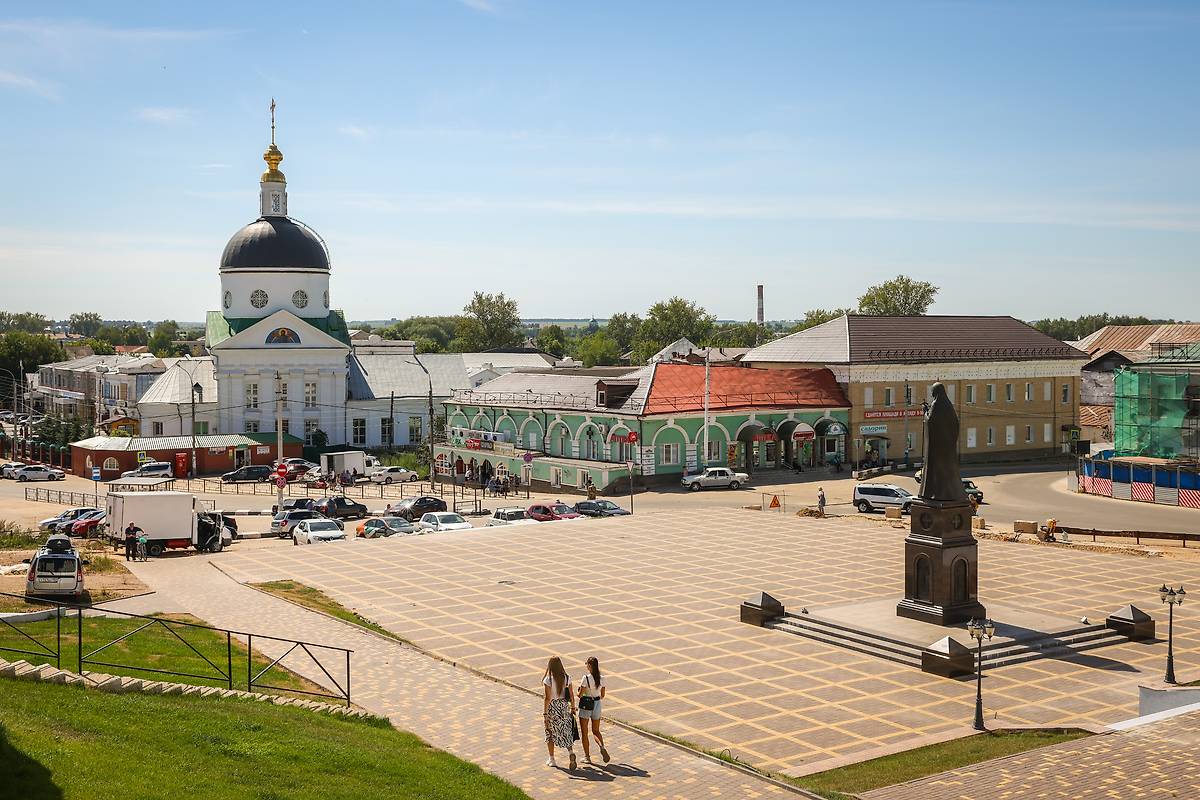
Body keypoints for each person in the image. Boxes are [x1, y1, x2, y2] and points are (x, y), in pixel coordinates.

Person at [542, 656, 577, 771]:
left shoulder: (548, 680)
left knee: (550, 732)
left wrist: (545, 714)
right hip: (564, 706)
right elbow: (571, 695)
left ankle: (552, 759)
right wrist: (573, 707)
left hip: (553, 707)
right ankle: (571, 752)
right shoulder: (567, 678)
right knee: (565, 731)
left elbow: (547, 698)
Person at [577, 656, 610, 765]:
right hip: (597, 704)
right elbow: (602, 695)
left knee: (585, 732)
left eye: (587, 663)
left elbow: (580, 694)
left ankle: (587, 757)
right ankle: (601, 746)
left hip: (586, 705)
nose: (586, 665)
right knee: (596, 731)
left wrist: (581, 692)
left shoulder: (586, 678)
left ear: (590, 666)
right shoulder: (602, 678)